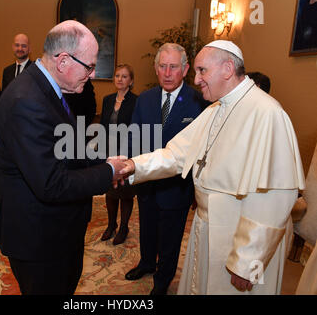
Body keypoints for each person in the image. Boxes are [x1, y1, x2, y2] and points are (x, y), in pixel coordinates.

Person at [119, 40, 305, 294]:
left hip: (239, 241)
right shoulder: (217, 108)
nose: (196, 80)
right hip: (208, 228)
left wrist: (248, 263)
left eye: (202, 71)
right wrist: (132, 165)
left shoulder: (267, 114)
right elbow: (176, 154)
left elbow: (274, 197)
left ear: (227, 69)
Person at [0, 20, 125, 295]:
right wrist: (108, 172)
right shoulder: (26, 101)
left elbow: (66, 147)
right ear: (63, 61)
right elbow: (51, 183)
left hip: (57, 228)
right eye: (89, 66)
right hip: (37, 238)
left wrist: (103, 161)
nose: (93, 73)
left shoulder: (49, 89)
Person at [124, 44, 208, 295]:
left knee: (170, 238)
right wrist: (129, 168)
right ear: (155, 68)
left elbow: (203, 147)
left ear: (185, 69)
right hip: (147, 181)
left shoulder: (199, 100)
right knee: (147, 227)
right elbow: (134, 137)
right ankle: (147, 263)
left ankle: (163, 281)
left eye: (173, 67)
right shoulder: (146, 99)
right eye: (163, 66)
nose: (168, 73)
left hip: (177, 185)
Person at [99, 64, 138, 245]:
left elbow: (136, 129)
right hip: (109, 151)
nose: (120, 79)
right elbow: (102, 127)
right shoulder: (107, 100)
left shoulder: (136, 101)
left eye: (124, 76)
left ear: (130, 81)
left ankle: (123, 227)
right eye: (117, 76)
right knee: (111, 190)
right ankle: (111, 225)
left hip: (127, 152)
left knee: (126, 192)